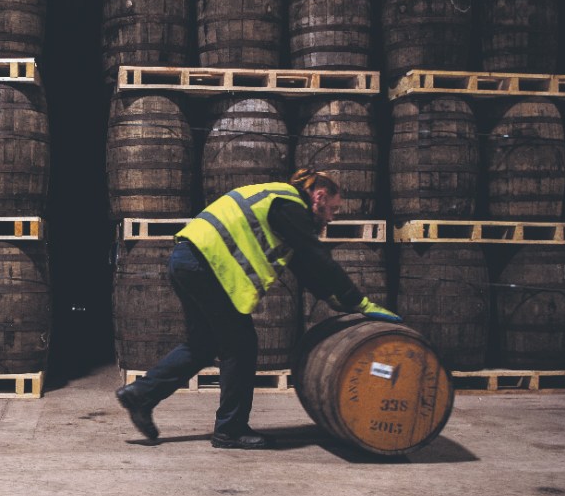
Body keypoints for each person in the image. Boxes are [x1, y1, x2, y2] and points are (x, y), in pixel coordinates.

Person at [115, 169, 401, 449]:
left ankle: (141, 394)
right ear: (319, 196)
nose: (331, 217)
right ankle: (230, 430)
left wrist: (332, 297)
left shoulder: (279, 205)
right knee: (240, 346)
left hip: (188, 260)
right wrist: (357, 301)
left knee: (202, 344)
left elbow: (304, 266)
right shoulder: (288, 204)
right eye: (332, 209)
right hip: (207, 265)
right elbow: (316, 256)